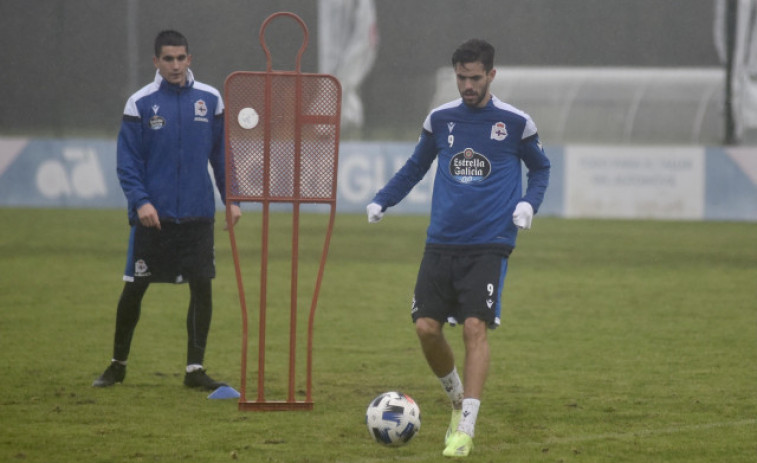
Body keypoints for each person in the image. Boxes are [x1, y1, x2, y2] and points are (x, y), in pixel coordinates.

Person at [366, 39, 550, 457]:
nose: (468, 85)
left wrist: (527, 203)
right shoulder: (440, 119)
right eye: (462, 77)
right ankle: (455, 401)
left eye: (475, 77)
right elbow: (416, 166)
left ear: (491, 75)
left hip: (490, 241)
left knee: (473, 328)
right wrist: (383, 199)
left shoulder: (515, 123)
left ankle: (466, 426)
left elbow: (541, 168)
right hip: (441, 241)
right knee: (425, 328)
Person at [93, 30, 242, 390]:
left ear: (190, 59)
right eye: (168, 59)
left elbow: (221, 154)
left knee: (202, 289)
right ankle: (117, 365)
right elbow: (127, 162)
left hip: (197, 214)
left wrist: (232, 198)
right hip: (153, 218)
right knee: (134, 289)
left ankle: (195, 371)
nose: (175, 65)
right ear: (156, 62)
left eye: (181, 58)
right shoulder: (140, 103)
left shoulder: (210, 99)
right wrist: (141, 201)